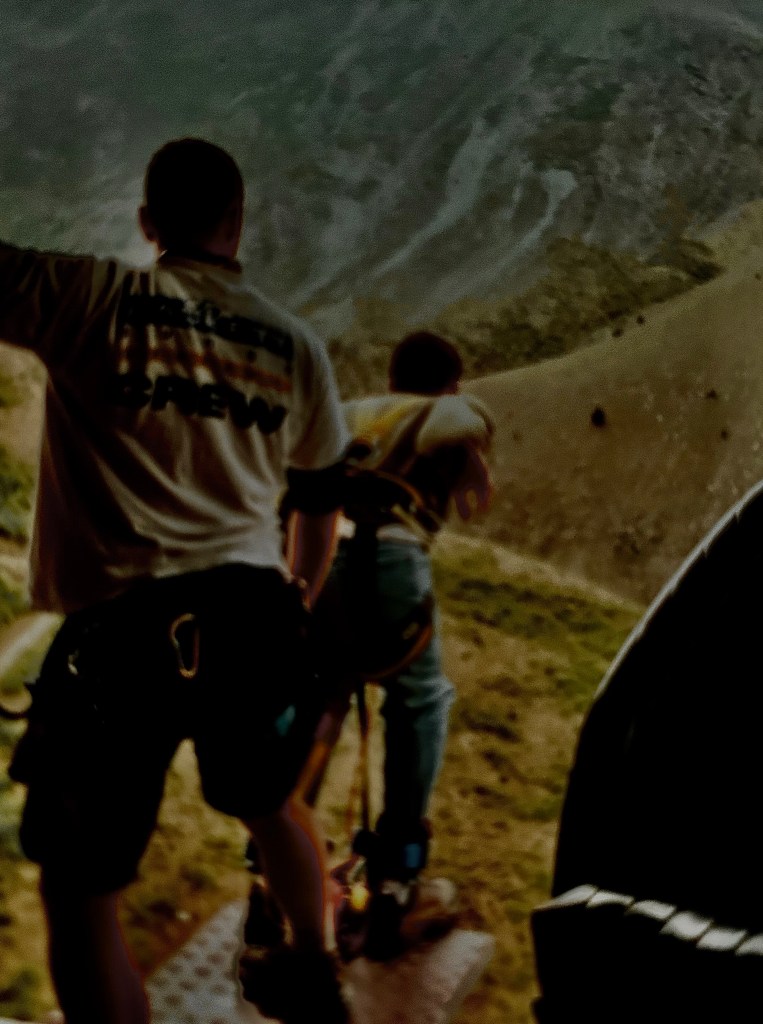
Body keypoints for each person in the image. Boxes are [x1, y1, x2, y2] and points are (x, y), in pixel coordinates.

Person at [0, 138, 350, 1024]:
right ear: (238, 221)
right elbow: (318, 502)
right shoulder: (294, 344)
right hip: (251, 612)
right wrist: (299, 595)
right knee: (272, 804)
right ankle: (313, 967)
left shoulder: (90, 298)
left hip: (119, 632)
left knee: (81, 889)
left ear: (147, 222)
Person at [242, 331, 494, 962]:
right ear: (451, 382)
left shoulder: (352, 412)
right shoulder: (438, 410)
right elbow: (464, 423)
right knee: (419, 702)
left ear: (391, 376)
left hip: (316, 555)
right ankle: (397, 877)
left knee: (318, 701)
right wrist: (472, 446)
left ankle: (271, 871)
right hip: (389, 559)